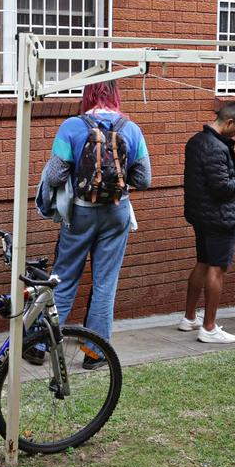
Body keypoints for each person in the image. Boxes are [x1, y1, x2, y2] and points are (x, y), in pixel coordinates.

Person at [32, 82, 151, 365]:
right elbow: (144, 179)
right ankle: (94, 352)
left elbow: (54, 177)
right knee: (105, 282)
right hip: (116, 212)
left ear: (87, 95)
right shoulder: (131, 129)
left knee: (63, 277)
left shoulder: (72, 126)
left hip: (80, 214)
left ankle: (39, 345)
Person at [180, 102, 235, 343]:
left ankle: (189, 318)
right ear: (229, 123)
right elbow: (221, 187)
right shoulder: (217, 147)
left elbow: (210, 175)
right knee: (217, 268)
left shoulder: (196, 141)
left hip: (200, 214)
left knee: (202, 262)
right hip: (219, 217)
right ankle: (209, 327)